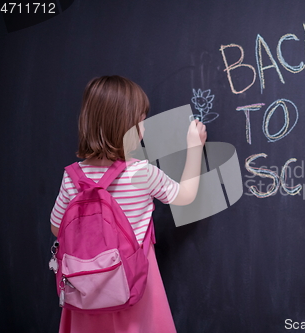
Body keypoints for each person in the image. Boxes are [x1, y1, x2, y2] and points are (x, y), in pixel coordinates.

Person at [50, 75, 206, 332]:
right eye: (141, 121)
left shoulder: (72, 176)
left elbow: (57, 228)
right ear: (125, 126)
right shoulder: (141, 173)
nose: (144, 129)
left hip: (85, 288)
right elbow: (186, 196)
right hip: (132, 285)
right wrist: (194, 147)